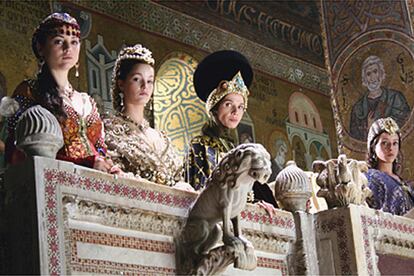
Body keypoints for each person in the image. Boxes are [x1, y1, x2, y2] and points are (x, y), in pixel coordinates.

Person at [4, 13, 118, 174]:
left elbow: (100, 149)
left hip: (95, 185)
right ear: (40, 47)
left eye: (74, 42)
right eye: (59, 41)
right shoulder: (29, 91)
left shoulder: (87, 101)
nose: (68, 48)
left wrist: (109, 166)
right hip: (55, 183)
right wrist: (85, 163)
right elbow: (20, 152)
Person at [185, 50, 277, 208]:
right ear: (214, 108)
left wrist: (260, 204)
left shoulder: (239, 150)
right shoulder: (200, 145)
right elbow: (202, 194)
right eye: (229, 104)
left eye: (240, 107)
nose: (236, 112)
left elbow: (251, 191)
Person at [104, 44, 184, 187]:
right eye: (136, 79)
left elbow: (179, 178)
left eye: (149, 81)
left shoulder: (162, 138)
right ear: (121, 84)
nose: (144, 86)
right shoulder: (109, 129)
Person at [350, 55, 410, 141]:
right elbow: (354, 135)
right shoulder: (358, 108)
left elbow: (404, 119)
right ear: (364, 79)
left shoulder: (395, 97)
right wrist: (367, 127)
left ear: (381, 73)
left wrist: (377, 125)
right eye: (368, 74)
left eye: (375, 71)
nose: (373, 77)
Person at [365, 117, 414, 216]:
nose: (390, 148)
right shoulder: (371, 178)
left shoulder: (404, 183)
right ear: (373, 147)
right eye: (384, 143)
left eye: (395, 143)